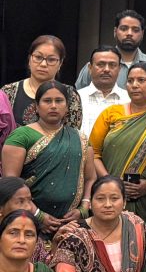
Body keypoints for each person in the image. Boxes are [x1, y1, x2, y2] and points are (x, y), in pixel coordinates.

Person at [2, 81, 96, 226]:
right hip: (28, 221)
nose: (53, 106)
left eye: (59, 101)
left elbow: (90, 178)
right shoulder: (21, 136)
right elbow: (11, 183)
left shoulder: (81, 139)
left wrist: (83, 208)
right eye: (47, 101)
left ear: (67, 107)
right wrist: (37, 215)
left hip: (72, 223)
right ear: (36, 107)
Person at [90, 62, 146, 228]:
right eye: (130, 81)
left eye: (141, 80)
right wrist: (111, 183)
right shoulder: (111, 113)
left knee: (143, 238)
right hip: (109, 194)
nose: (134, 85)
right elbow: (93, 153)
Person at [3, 35, 83, 128]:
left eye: (51, 59)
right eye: (38, 57)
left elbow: (72, 133)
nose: (43, 64)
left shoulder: (70, 95)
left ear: (60, 63)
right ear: (29, 59)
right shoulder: (8, 92)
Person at [74, 10, 146, 90]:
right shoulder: (95, 66)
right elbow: (80, 96)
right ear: (115, 31)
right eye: (124, 29)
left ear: (142, 34)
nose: (129, 33)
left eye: (135, 30)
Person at [78, 45, 129, 137]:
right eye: (101, 64)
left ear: (119, 69)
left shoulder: (129, 99)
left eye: (112, 65)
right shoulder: (76, 98)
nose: (106, 69)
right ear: (90, 68)